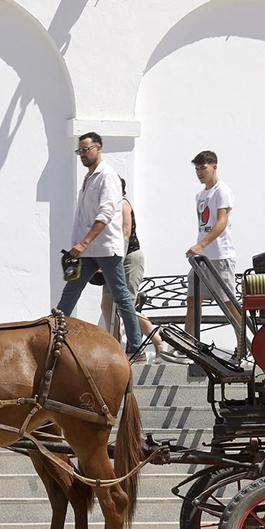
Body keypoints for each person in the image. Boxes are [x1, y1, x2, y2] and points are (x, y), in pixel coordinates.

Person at [57, 132, 140, 356]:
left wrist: (83, 243)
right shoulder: (89, 177)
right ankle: (55, 332)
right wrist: (78, 244)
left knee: (121, 296)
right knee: (70, 291)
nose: (83, 154)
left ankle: (136, 345)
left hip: (105, 249)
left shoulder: (107, 176)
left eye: (86, 149)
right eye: (80, 151)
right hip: (86, 250)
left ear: (98, 148)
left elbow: (105, 213)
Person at [96, 178, 165, 359]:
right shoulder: (107, 208)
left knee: (127, 307)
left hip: (128, 260)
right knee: (107, 305)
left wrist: (115, 261)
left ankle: (155, 339)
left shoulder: (123, 205)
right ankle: (115, 350)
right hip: (111, 261)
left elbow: (125, 236)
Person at [187, 149, 239, 345]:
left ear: (214, 167)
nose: (200, 172)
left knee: (228, 304)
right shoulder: (201, 194)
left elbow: (221, 222)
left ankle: (245, 347)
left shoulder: (222, 191)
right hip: (202, 259)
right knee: (192, 301)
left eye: (203, 168)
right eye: (197, 169)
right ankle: (188, 345)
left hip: (220, 256)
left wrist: (201, 244)